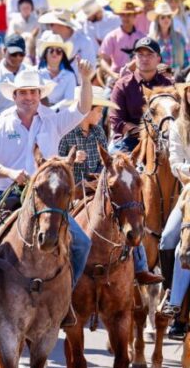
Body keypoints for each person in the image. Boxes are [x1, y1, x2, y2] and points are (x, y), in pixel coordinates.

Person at [0, 63, 95, 325]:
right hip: (5, 190)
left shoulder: (53, 119)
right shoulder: (0, 125)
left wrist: (86, 79)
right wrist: (10, 172)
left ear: (39, 94)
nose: (29, 98)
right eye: (23, 93)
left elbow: (83, 108)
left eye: (33, 92)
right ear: (14, 96)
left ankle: (65, 297)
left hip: (46, 197)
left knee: (82, 243)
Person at [57, 86, 162, 288]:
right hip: (71, 190)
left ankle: (140, 267)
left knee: (126, 210)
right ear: (87, 109)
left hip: (95, 186)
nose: (101, 114)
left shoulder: (98, 132)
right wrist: (70, 162)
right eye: (98, 110)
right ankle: (63, 269)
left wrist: (100, 177)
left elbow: (102, 164)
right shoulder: (65, 133)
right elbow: (57, 165)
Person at [108, 37, 173, 154]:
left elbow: (175, 116)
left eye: (149, 54)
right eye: (140, 54)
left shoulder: (167, 85)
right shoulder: (122, 85)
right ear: (135, 58)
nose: (144, 58)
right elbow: (116, 121)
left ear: (158, 59)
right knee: (113, 164)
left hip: (163, 139)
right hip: (130, 140)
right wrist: (145, 132)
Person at [161, 81, 190, 337]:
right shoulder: (178, 127)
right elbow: (175, 164)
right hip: (189, 192)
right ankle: (174, 299)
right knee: (169, 239)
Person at [0, 34, 33, 115]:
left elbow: (43, 100)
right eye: (14, 54)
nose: (18, 57)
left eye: (21, 54)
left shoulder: (32, 72)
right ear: (4, 51)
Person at [98, 0, 144, 78]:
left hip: (139, 76)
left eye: (129, 14)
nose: (126, 18)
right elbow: (104, 60)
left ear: (135, 16)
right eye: (123, 15)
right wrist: (112, 74)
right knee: (107, 91)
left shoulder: (142, 37)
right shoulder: (112, 36)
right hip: (117, 75)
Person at [148, 0, 187, 76]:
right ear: (157, 20)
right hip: (158, 78)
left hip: (179, 77)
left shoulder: (180, 37)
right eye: (163, 17)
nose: (166, 19)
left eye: (169, 17)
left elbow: (186, 59)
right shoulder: (151, 40)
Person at [36, 32, 77, 106]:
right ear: (45, 54)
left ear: (62, 56)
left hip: (61, 114)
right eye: (51, 50)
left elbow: (69, 101)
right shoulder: (37, 74)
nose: (54, 53)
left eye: (58, 51)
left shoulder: (69, 76)